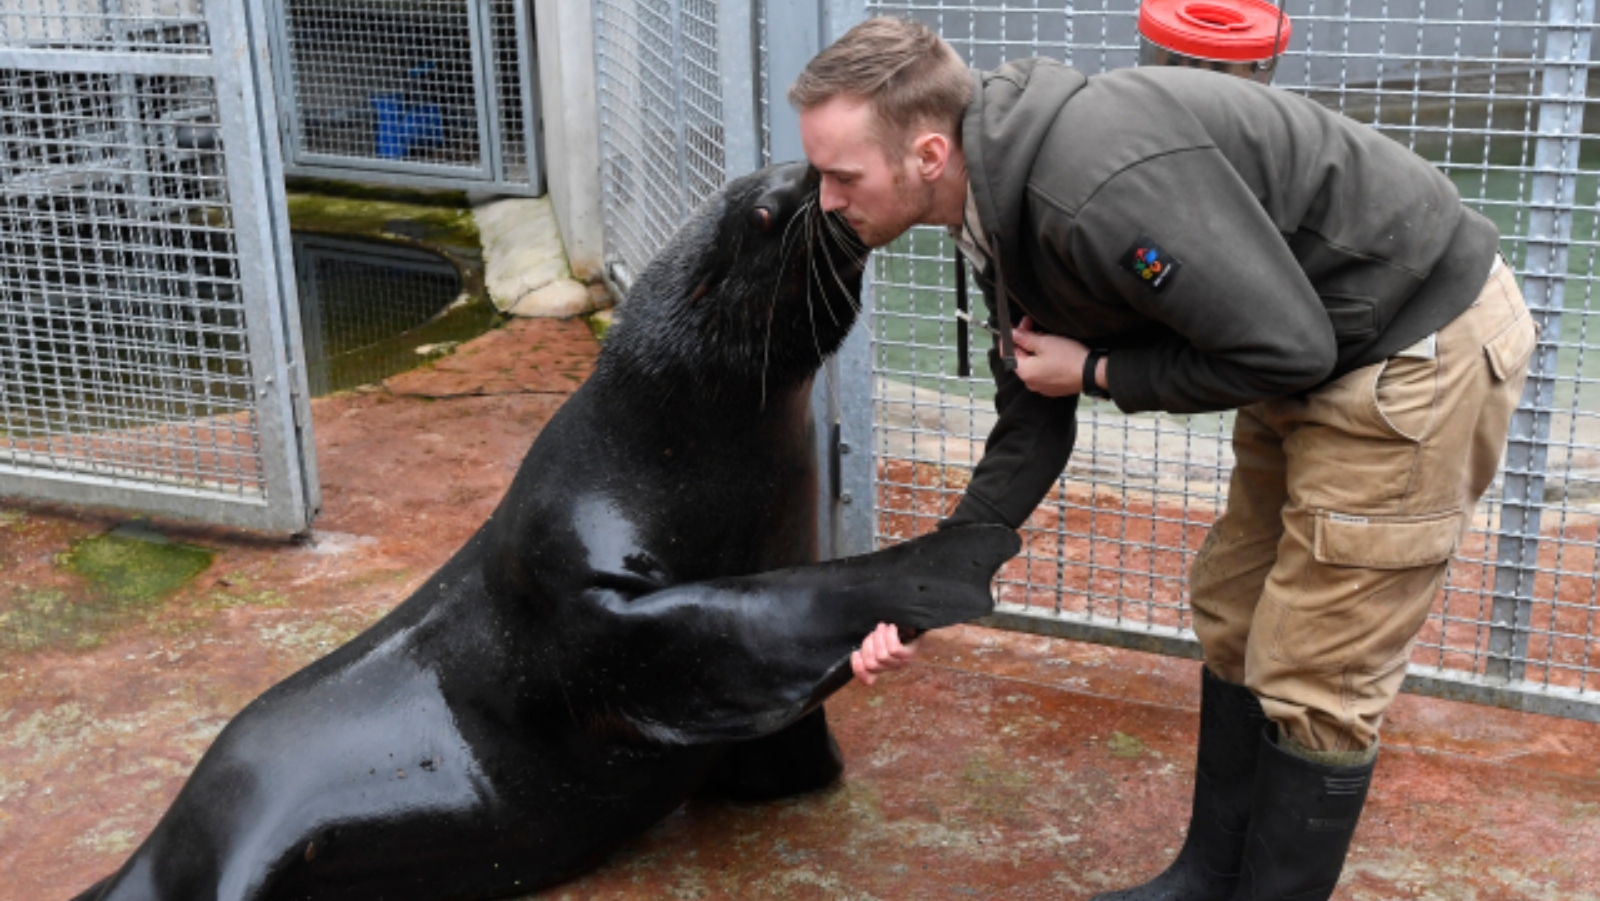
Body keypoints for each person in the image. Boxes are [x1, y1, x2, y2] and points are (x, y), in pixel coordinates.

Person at [793, 16, 1537, 901]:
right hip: (1311, 339)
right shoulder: (992, 186)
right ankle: (1209, 878)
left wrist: (1103, 369)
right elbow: (1036, 404)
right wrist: (919, 593)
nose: (828, 199)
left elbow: (1283, 347)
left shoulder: (1086, 194)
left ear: (924, 154)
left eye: (842, 176)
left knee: (1317, 670)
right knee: (1233, 607)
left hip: (1413, 346)